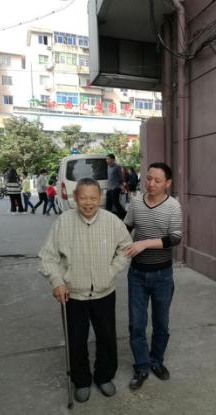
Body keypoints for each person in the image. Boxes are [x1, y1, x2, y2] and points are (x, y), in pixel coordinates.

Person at [38, 178, 132, 404]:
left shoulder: (112, 221)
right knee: (76, 339)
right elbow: (47, 257)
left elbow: (126, 248)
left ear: (100, 198)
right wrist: (57, 281)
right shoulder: (63, 222)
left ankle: (104, 376)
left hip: (104, 292)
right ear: (75, 198)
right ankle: (81, 380)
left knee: (107, 337)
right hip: (73, 293)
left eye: (93, 198)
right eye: (83, 198)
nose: (88, 203)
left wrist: (111, 271)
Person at [123, 162, 182, 390]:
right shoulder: (136, 203)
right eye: (148, 178)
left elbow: (175, 238)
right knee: (136, 325)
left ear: (167, 183)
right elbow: (126, 227)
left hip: (162, 276)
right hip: (137, 274)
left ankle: (156, 361)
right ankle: (141, 366)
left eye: (157, 180)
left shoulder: (173, 206)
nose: (151, 184)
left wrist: (145, 243)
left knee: (161, 324)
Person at [105, 154, 126, 219]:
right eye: (106, 159)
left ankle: (124, 215)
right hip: (109, 188)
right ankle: (107, 216)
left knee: (115, 202)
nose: (107, 160)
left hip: (116, 188)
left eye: (108, 159)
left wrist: (122, 186)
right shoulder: (108, 167)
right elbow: (109, 178)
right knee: (108, 203)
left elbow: (121, 177)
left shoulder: (117, 167)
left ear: (113, 159)